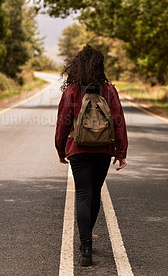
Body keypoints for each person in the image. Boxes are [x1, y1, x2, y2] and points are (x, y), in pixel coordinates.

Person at [55, 44, 128, 266]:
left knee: (83, 194)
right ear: (100, 66)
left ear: (76, 66)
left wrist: (61, 149)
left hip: (78, 150)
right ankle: (88, 237)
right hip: (103, 150)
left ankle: (85, 245)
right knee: (94, 193)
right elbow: (118, 121)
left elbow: (62, 123)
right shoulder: (109, 91)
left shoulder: (72, 91)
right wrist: (121, 152)